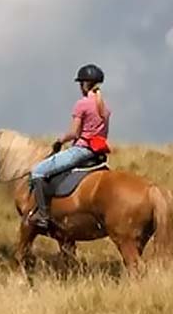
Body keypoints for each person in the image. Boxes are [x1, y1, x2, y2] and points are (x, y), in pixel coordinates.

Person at [29, 64, 111, 229]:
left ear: (85, 84)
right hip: (97, 153)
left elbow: (74, 133)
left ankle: (43, 215)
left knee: (37, 172)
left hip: (82, 150)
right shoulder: (104, 107)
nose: (80, 87)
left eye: (81, 83)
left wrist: (60, 140)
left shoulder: (82, 104)